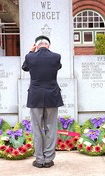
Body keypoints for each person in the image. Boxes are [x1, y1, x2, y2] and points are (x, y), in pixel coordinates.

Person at [22, 35, 64, 168]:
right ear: (48, 45)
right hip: (52, 96)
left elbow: (25, 68)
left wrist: (31, 52)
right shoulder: (56, 56)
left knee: (37, 128)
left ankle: (39, 160)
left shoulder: (30, 57)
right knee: (51, 127)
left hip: (35, 97)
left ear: (36, 45)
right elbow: (57, 67)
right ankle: (49, 159)